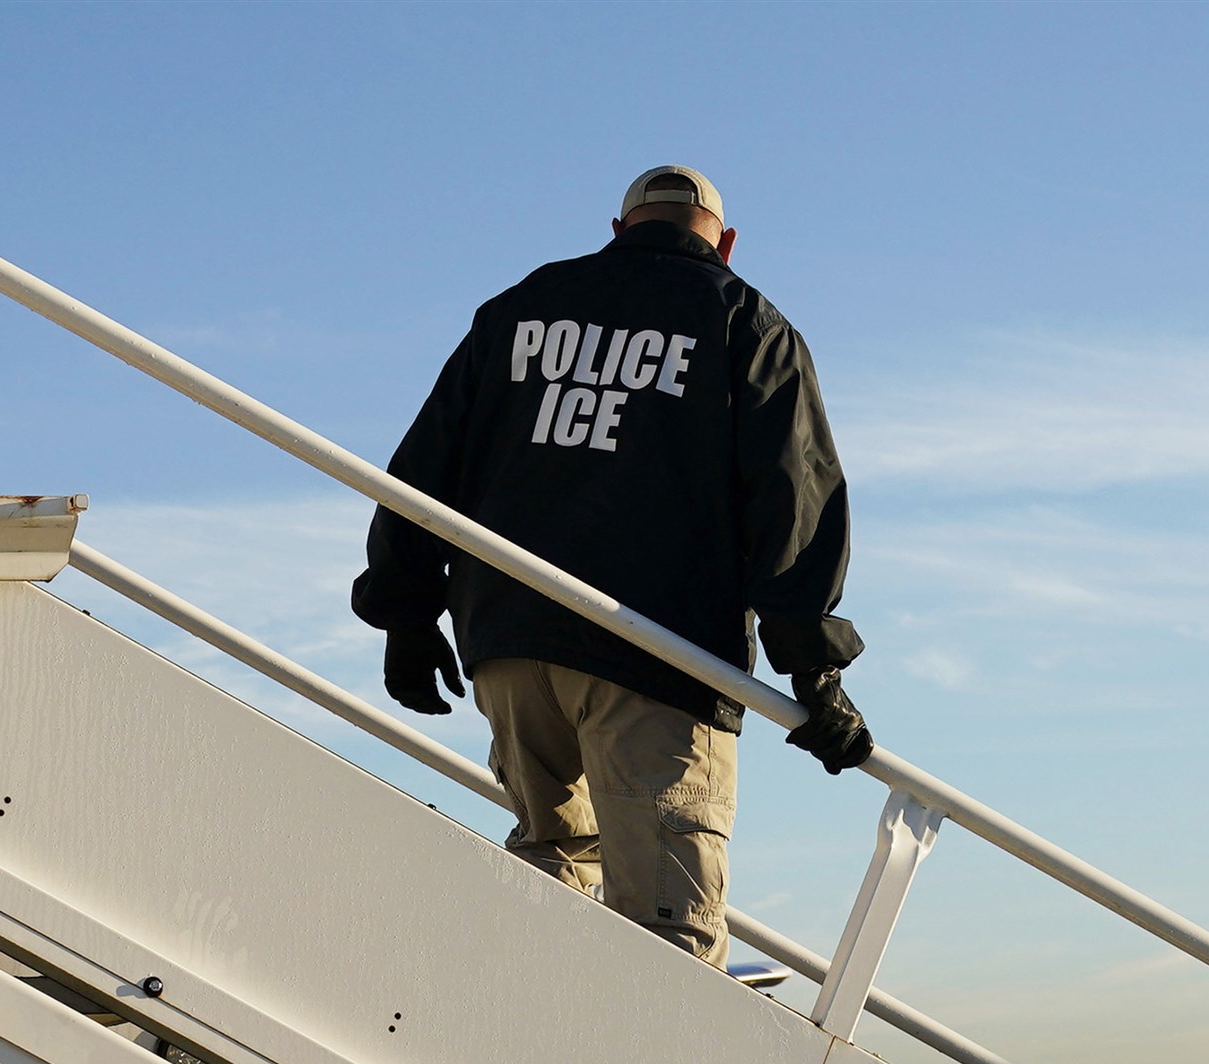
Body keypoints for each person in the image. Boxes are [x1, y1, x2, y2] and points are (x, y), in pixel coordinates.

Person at [352, 165, 870, 971]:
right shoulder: (745, 322)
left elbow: (423, 470)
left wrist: (407, 613)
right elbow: (792, 502)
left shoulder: (517, 310)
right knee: (668, 925)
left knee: (552, 865)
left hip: (510, 643)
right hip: (659, 654)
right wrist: (814, 671)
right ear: (725, 242)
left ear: (619, 227)